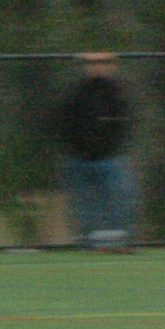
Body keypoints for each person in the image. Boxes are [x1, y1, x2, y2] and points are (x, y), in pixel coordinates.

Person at [52, 52, 135, 249]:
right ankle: (88, 242)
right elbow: (63, 122)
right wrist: (73, 148)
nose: (97, 66)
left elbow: (124, 123)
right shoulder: (75, 92)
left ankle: (117, 241)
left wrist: (111, 145)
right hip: (78, 160)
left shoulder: (118, 92)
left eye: (103, 62)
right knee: (84, 205)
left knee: (117, 201)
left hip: (109, 158)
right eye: (91, 62)